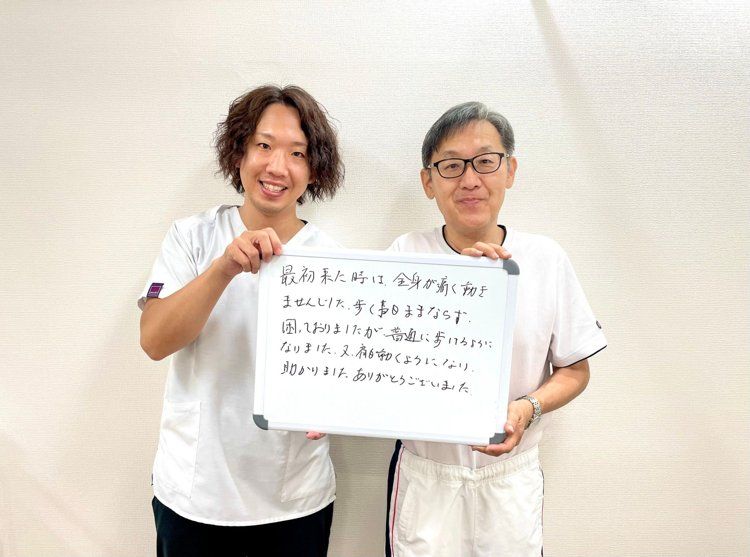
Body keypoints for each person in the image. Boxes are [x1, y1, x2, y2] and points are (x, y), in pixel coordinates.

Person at [385, 102, 607, 557]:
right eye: (451, 166)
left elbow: (575, 370)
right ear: (428, 181)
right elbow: (376, 361)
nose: (470, 180)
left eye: (485, 161)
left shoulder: (545, 259)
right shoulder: (405, 255)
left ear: (510, 170)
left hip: (510, 481)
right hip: (427, 476)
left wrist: (527, 408)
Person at [138, 85, 344, 557]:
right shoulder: (192, 237)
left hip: (294, 499)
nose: (277, 166)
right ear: (238, 153)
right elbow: (154, 340)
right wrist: (224, 268)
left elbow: (345, 373)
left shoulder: (333, 261)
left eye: (297, 153)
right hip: (193, 492)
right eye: (263, 145)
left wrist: (335, 404)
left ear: (314, 169)